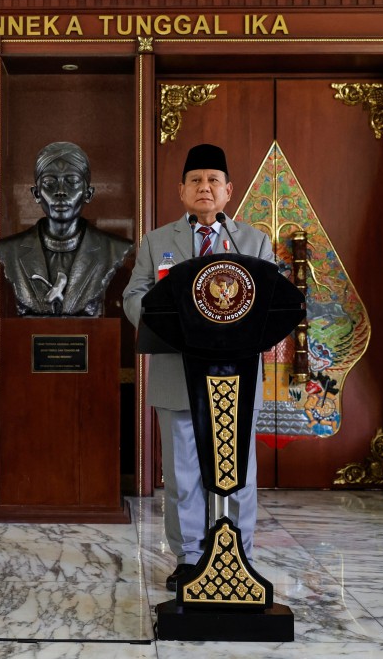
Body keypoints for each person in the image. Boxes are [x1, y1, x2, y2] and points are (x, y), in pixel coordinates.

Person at [122, 143, 274, 591]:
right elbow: (134, 296)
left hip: (237, 378)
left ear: (228, 192)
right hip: (177, 372)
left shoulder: (253, 241)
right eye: (195, 181)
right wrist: (164, 327)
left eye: (213, 181)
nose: (204, 188)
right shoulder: (157, 241)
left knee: (238, 470)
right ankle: (189, 558)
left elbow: (270, 302)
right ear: (181, 191)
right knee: (183, 473)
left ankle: (239, 552)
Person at [0, 141, 132, 316]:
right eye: (50, 183)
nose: (60, 191)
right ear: (36, 193)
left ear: (88, 193)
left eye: (72, 181)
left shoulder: (115, 250)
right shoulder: (8, 250)